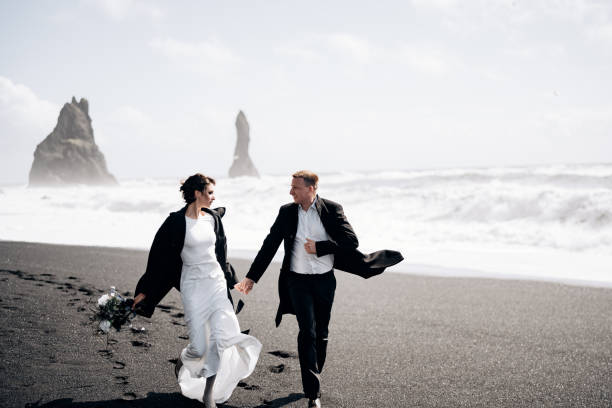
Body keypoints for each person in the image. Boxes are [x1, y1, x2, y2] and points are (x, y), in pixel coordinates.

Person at [235, 170, 403, 408]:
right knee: (307, 331)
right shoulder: (287, 212)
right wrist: (251, 277)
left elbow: (350, 241)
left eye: (296, 187)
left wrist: (321, 247)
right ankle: (313, 393)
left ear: (311, 188)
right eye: (291, 187)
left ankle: (314, 372)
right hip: (296, 281)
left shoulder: (332, 209)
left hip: (324, 281)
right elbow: (270, 244)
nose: (291, 191)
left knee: (321, 333)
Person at [133, 173, 261, 408]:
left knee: (220, 338)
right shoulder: (174, 223)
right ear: (196, 194)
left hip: (216, 285)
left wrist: (234, 281)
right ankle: (184, 360)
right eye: (210, 192)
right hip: (192, 286)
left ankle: (208, 394)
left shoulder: (213, 219)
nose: (214, 197)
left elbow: (221, 256)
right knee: (200, 346)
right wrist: (144, 292)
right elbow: (158, 261)